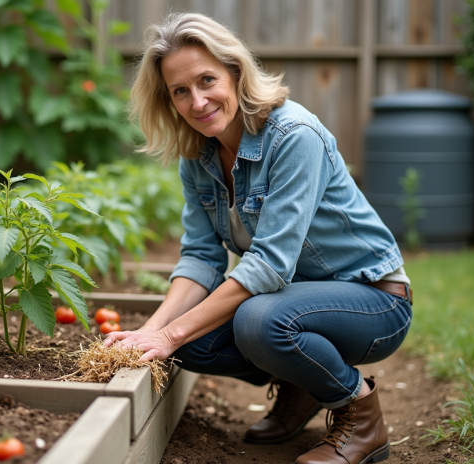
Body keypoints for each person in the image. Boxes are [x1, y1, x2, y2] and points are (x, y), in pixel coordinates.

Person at [104, 12, 412, 464]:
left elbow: (269, 265)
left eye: (207, 79)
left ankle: (361, 418)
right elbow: (199, 259)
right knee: (192, 345)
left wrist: (169, 333)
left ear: (235, 71)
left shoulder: (293, 134)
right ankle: (304, 384)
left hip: (374, 301)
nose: (198, 101)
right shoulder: (199, 154)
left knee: (257, 321)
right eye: (180, 91)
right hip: (295, 301)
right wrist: (153, 334)